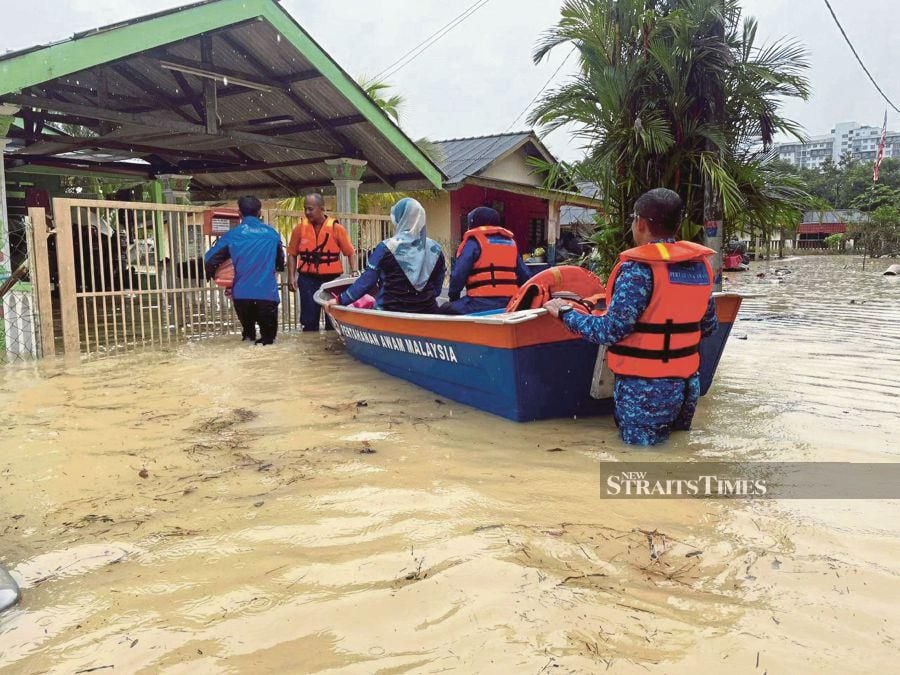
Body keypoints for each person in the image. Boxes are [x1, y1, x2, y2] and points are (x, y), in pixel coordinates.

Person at [544, 188, 718, 446]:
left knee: (641, 466)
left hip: (645, 393)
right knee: (675, 456)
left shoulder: (639, 269)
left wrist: (566, 312)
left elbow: (609, 331)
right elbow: (708, 326)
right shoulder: (700, 266)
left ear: (641, 222)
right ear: (677, 224)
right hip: (687, 386)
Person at [326, 198, 446, 313]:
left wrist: (340, 300)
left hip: (389, 310)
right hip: (427, 310)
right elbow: (437, 288)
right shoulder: (436, 249)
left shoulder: (386, 247)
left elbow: (367, 282)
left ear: (400, 219)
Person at [204, 196, 285, 345]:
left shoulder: (232, 236)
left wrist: (214, 275)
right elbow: (280, 262)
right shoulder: (272, 234)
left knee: (248, 337)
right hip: (267, 294)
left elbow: (210, 260)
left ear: (239, 213)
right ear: (259, 212)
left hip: (242, 295)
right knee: (268, 341)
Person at [440, 207, 532, 314]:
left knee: (444, 310)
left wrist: (453, 297)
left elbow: (458, 275)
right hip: (510, 302)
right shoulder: (510, 243)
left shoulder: (473, 243)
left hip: (479, 303)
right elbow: (525, 276)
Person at [286, 193, 358, 331]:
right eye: (305, 209)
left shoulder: (337, 229)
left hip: (332, 279)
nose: (307, 212)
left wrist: (354, 271)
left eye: (311, 209)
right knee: (309, 321)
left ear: (322, 208)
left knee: (333, 320)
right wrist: (291, 276)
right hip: (307, 278)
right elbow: (292, 254)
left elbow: (350, 252)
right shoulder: (299, 229)